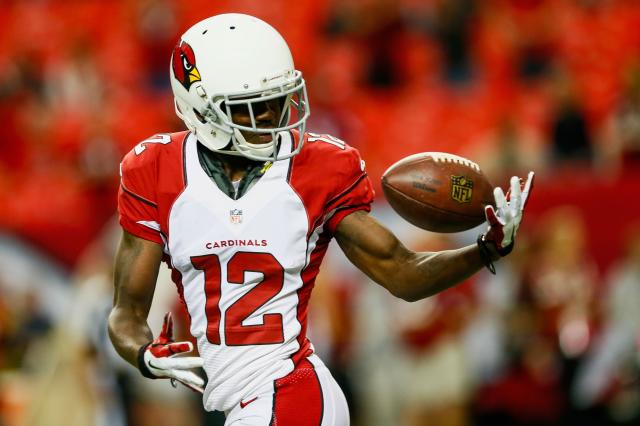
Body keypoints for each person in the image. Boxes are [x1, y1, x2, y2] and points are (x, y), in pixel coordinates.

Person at [107, 13, 534, 425]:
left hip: (292, 391)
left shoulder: (319, 166)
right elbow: (126, 312)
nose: (272, 118)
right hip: (241, 401)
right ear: (199, 107)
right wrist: (143, 353)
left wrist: (485, 250)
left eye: (276, 101)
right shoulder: (155, 171)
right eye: (252, 107)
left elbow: (402, 273)